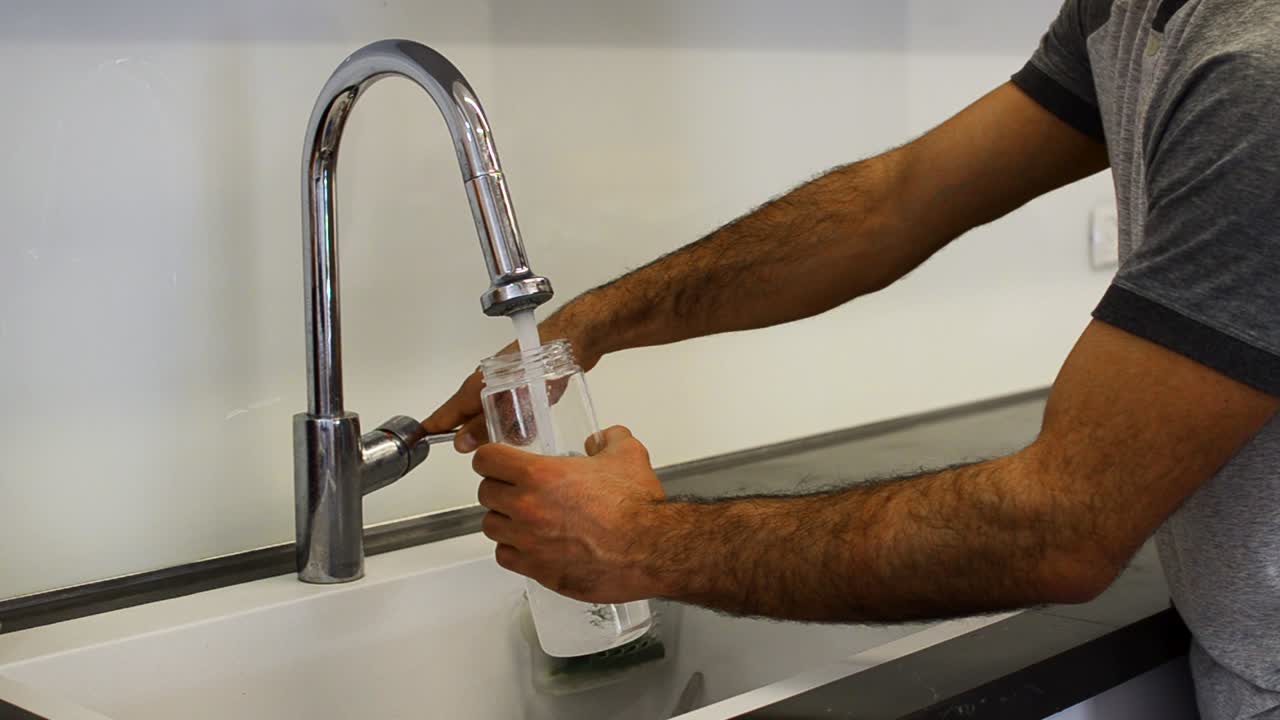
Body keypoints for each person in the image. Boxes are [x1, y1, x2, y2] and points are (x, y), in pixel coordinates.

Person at [424, 1, 1280, 716]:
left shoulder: (1258, 68)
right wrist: (592, 324)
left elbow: (1060, 524)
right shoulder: (1133, 7)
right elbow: (895, 201)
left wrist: (640, 540)